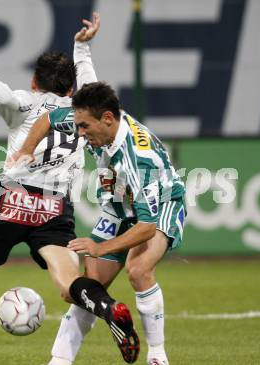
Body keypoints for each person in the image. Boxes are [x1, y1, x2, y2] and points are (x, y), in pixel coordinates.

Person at [0, 15, 140, 364]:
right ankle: (110, 309)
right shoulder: (83, 112)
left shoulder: (22, 103)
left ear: (35, 81)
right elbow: (90, 78)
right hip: (54, 207)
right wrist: (83, 45)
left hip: (12, 195)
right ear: (71, 90)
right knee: (68, 284)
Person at [13, 82, 186, 365]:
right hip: (119, 204)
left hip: (163, 203)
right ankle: (59, 361)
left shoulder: (138, 159)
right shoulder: (89, 120)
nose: (80, 134)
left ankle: (157, 357)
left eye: (84, 127)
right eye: (77, 126)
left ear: (107, 118)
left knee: (139, 269)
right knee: (86, 290)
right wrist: (26, 151)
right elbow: (46, 119)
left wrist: (101, 247)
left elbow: (146, 227)